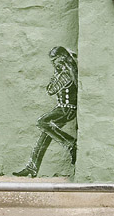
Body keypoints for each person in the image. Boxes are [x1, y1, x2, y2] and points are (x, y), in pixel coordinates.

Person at [13, 46, 78, 177]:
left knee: (42, 122)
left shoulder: (64, 74)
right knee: (45, 136)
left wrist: (55, 75)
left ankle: (70, 143)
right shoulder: (66, 71)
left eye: (54, 60)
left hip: (66, 110)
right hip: (63, 109)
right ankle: (32, 167)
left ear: (61, 58)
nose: (53, 63)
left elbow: (50, 90)